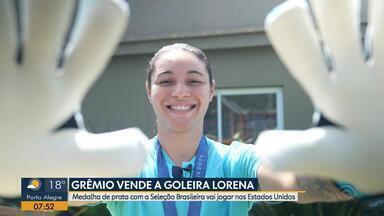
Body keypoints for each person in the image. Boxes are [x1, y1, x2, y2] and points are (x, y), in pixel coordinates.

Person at [106, 43, 352, 216]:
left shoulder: (237, 162)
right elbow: (70, 195)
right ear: (149, 90)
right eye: (165, 81)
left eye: (194, 81)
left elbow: (292, 185)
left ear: (211, 90)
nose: (180, 91)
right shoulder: (126, 165)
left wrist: (348, 175)